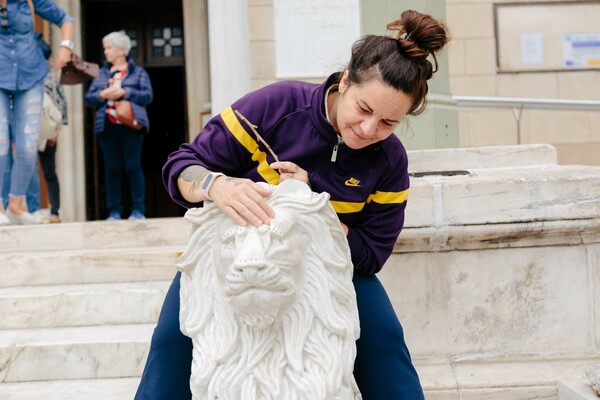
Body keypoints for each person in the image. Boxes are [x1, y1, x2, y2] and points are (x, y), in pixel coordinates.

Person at [135, 9, 449, 400]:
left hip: (332, 268)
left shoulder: (390, 161)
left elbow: (370, 255)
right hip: (236, 254)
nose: (369, 130)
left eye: (388, 123)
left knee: (385, 341)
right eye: (364, 109)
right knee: (171, 341)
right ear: (346, 81)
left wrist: (314, 208)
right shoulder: (277, 105)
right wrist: (218, 185)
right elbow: (180, 167)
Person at [0, 0, 74, 225]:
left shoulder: (29, 1)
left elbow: (65, 19)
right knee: (1, 143)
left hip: (31, 74)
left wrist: (66, 46)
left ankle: (15, 205)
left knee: (28, 144)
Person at [84, 31, 153, 221]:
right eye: (105, 48)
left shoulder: (138, 72)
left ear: (122, 50)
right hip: (107, 126)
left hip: (131, 125)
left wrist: (125, 91)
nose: (105, 52)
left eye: (109, 48)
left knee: (133, 167)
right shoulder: (102, 73)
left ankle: (138, 210)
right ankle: (114, 211)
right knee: (112, 168)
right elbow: (89, 97)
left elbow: (147, 95)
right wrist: (102, 95)